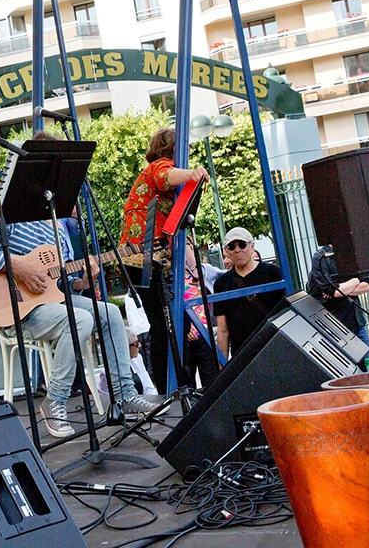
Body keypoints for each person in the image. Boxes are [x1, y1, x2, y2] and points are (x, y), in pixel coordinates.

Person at [0, 155, 156, 438]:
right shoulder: (12, 214)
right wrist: (18, 267)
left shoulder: (58, 225)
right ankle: (55, 399)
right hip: (19, 309)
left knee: (111, 313)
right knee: (78, 319)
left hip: (53, 302)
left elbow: (62, 283)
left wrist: (84, 280)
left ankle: (124, 393)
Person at [119, 127, 208, 392]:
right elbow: (165, 175)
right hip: (143, 257)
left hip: (150, 256)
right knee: (162, 324)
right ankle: (169, 386)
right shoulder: (158, 166)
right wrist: (192, 174)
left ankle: (176, 383)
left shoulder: (156, 172)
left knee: (168, 322)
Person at [214, 227, 286, 359]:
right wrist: (222, 364)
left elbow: (286, 313)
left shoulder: (272, 273)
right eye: (231, 246)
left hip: (274, 346)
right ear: (226, 251)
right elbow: (222, 329)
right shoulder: (221, 283)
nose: (237, 250)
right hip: (242, 354)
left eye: (242, 244)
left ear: (252, 246)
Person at [307, 244, 369, 348]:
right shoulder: (320, 258)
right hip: (335, 324)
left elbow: (367, 286)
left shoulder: (353, 253)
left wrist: (341, 290)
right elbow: (332, 291)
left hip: (357, 321)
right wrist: (355, 281)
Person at [182, 246, 221, 388]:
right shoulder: (171, 274)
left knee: (211, 380)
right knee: (187, 381)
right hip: (185, 334)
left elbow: (224, 275)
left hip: (204, 332)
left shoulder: (204, 270)